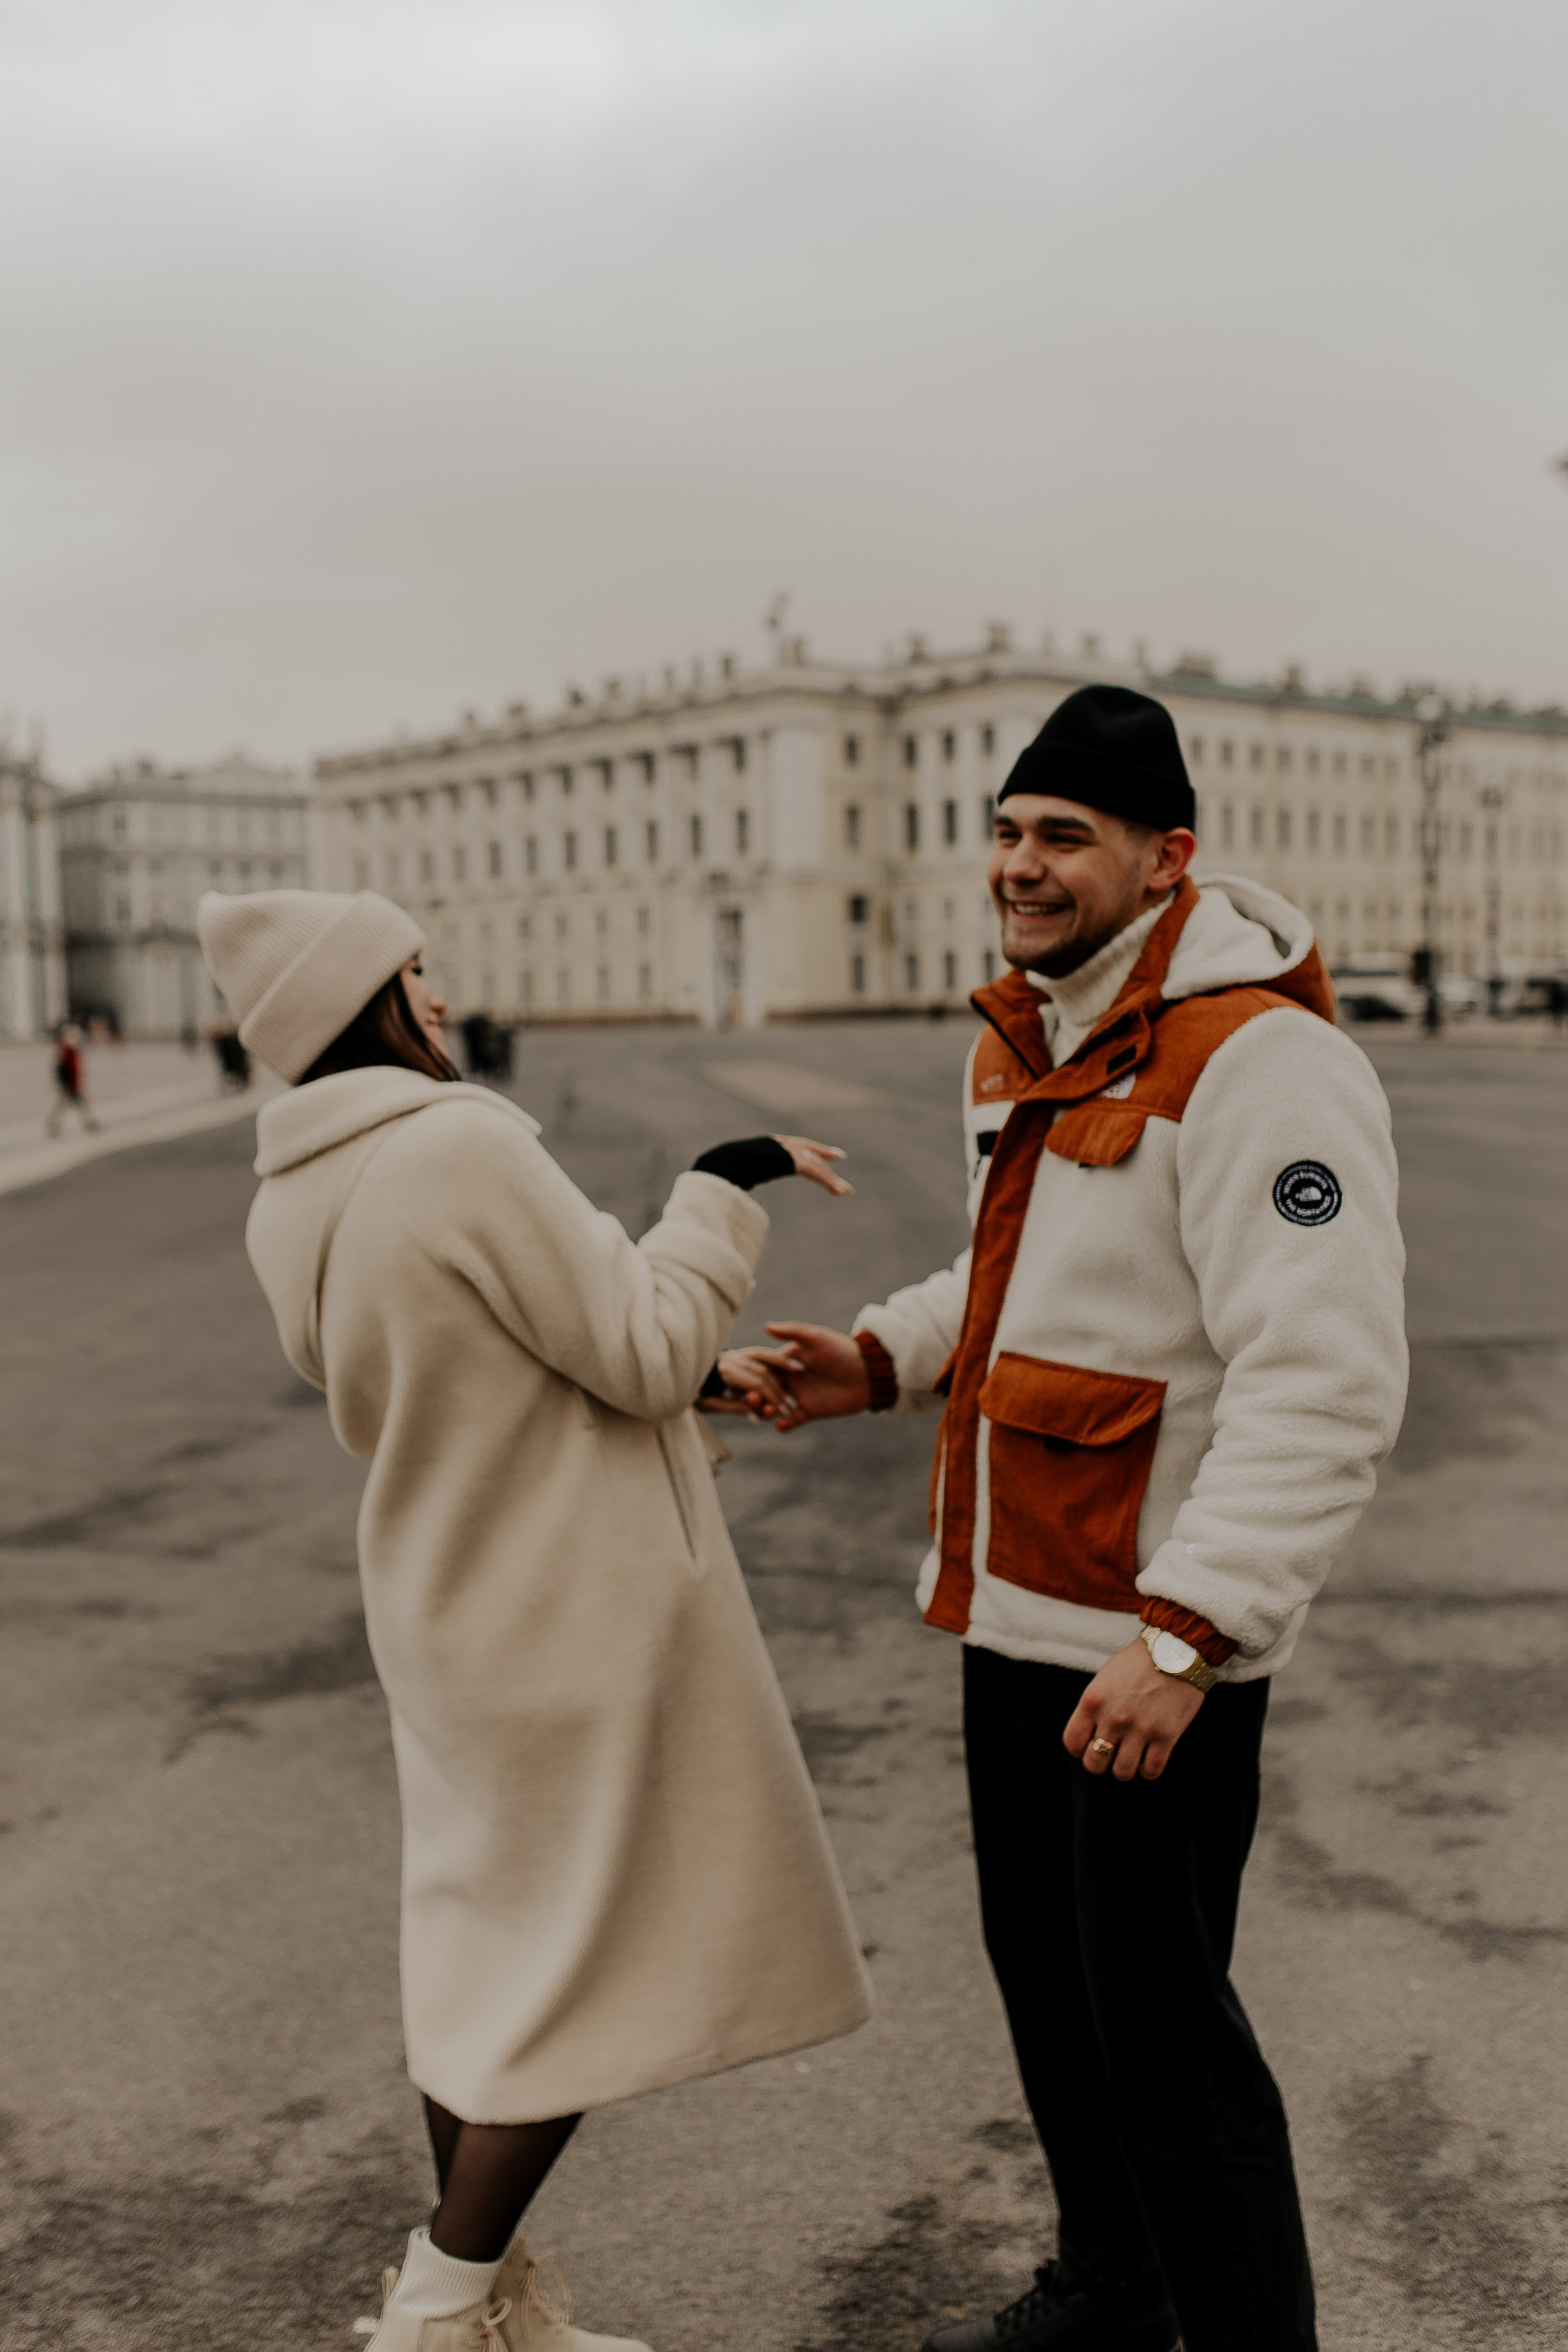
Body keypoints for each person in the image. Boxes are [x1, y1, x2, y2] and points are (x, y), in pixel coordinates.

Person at [722, 685, 1408, 2352]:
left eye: (1066, 839)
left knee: (1168, 2047)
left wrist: (1188, 1631)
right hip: (1016, 1610)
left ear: (1169, 859)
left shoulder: (1262, 1059)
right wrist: (882, 1357)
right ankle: (1116, 2294)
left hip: (1144, 1644)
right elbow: (1021, 1268)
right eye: (1011, 835)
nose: (1022, 868)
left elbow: (1324, 1378)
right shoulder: (1031, 1030)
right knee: (1057, 2008)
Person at [197, 888, 873, 2352]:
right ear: (361, 1002)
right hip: (570, 1607)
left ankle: (489, 2308)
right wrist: (712, 1186)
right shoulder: (453, 1140)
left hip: (446, 1600)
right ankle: (440, 2309)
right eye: (413, 973)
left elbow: (468, 1365)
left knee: (490, 1962)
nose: (440, 996)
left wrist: (692, 1375)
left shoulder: (289, 1191)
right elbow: (635, 1346)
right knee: (569, 1973)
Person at [45, 1022, 99, 1136]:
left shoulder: (70, 1051)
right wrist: (71, 1085)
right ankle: (89, 1124)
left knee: (67, 1106)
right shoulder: (68, 1052)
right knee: (73, 1106)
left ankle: (54, 1125)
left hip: (72, 1085)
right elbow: (67, 1070)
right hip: (71, 1085)